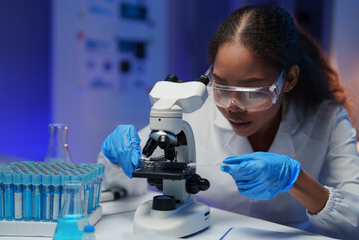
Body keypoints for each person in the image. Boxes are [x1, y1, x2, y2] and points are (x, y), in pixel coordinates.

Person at [98, 4, 359, 239]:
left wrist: (296, 181)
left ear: (288, 79)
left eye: (252, 91)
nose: (232, 106)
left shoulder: (327, 120)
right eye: (221, 86)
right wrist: (113, 157)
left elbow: (354, 223)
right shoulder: (192, 109)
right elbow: (116, 186)